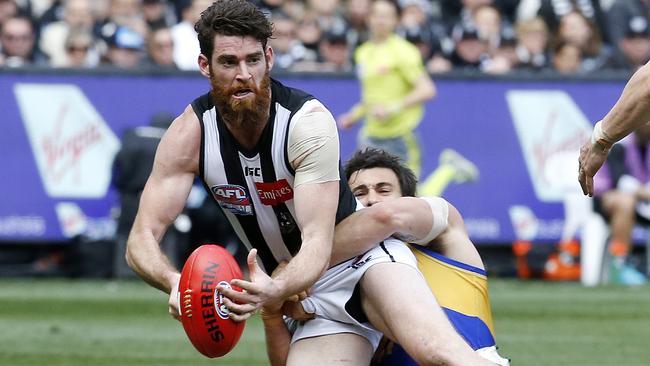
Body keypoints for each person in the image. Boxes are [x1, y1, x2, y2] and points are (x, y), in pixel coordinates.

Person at [125, 1, 493, 365]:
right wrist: (176, 283)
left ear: (269, 58)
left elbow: (318, 240)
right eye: (228, 62)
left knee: (439, 353)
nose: (243, 74)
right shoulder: (189, 133)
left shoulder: (307, 122)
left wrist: (278, 288)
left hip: (359, 261)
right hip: (304, 292)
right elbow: (141, 239)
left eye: (253, 60)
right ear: (205, 66)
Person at [261, 148, 510, 366]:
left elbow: (388, 216)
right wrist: (272, 314)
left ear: (408, 198)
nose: (371, 199)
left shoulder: (446, 232)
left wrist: (298, 268)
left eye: (383, 190)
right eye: (358, 194)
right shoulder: (331, 279)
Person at [338, 0, 436, 178]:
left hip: (400, 134)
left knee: (407, 194)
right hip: (371, 133)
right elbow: (371, 96)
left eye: (387, 16)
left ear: (396, 21)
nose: (380, 20)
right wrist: (354, 115)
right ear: (368, 18)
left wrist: (393, 108)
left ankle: (449, 170)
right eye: (377, 15)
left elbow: (427, 89)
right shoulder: (363, 52)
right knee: (365, 187)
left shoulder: (404, 51)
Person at [578, 61, 650, 197]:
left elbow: (647, 86)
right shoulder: (623, 146)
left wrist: (600, 139)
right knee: (623, 203)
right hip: (615, 195)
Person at [590, 125, 650, 285]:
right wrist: (645, 193)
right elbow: (621, 181)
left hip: (643, 204)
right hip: (608, 198)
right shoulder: (620, 146)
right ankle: (620, 262)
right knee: (625, 202)